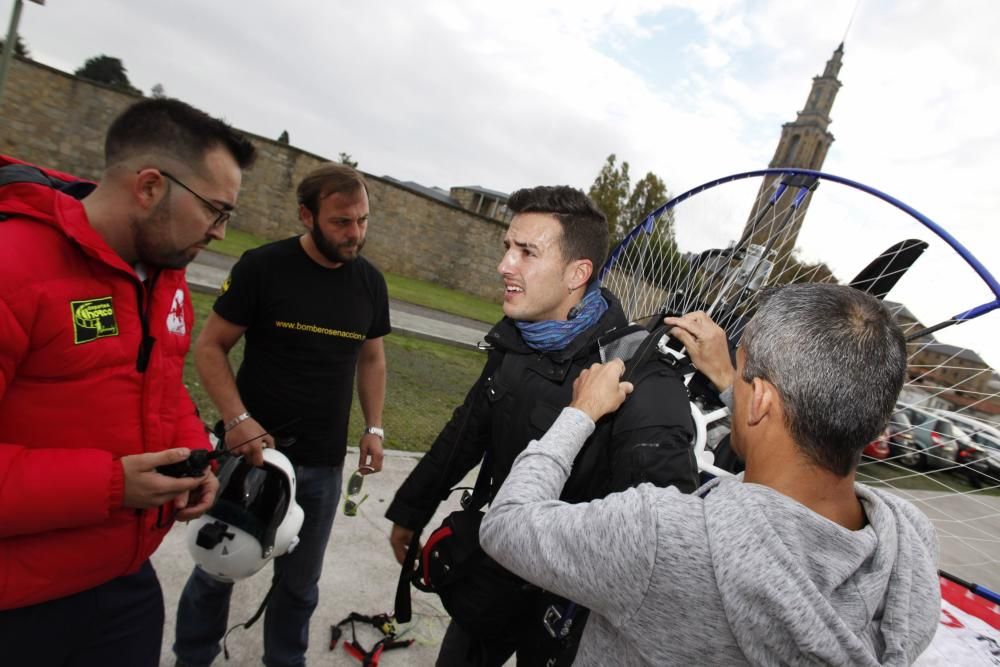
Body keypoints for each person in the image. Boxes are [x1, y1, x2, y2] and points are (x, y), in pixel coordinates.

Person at [480, 283, 941, 666]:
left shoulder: (661, 538)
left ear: (760, 400)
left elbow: (505, 525)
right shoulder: (910, 544)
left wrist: (580, 414)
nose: (733, 381)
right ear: (876, 420)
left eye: (742, 376)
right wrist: (729, 381)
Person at [386, 185, 697, 665]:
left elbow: (662, 528)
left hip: (571, 616)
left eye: (526, 252)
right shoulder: (514, 340)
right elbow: (467, 431)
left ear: (578, 272)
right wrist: (411, 508)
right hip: (491, 574)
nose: (505, 265)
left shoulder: (639, 373)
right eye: (507, 248)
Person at [0, 98, 257, 665]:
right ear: (148, 187)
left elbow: (160, 391)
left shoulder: (164, 277)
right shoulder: (13, 267)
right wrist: (112, 486)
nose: (218, 234)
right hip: (18, 605)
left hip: (120, 585)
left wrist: (194, 455)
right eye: (216, 211)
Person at [173, 163, 390, 667]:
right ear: (306, 216)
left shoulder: (370, 284)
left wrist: (374, 427)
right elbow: (210, 348)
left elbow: (372, 357)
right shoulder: (262, 267)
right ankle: (191, 659)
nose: (354, 233)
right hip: (248, 460)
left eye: (361, 220)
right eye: (341, 222)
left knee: (299, 586)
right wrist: (236, 418)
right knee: (217, 569)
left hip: (321, 466)